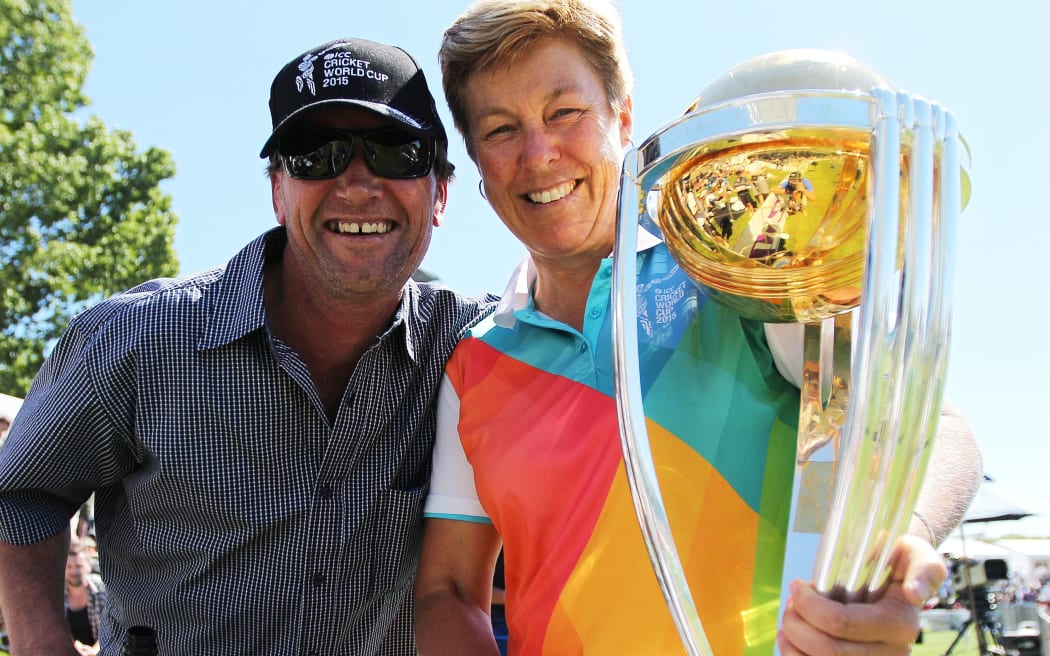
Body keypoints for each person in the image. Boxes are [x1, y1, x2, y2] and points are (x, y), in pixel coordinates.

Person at [413, 2, 982, 655]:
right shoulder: (475, 361)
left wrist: (889, 545)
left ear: (623, 120)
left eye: (564, 112)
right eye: (501, 130)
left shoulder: (734, 269)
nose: (539, 155)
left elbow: (933, 424)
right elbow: (450, 590)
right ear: (479, 170)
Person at [0, 37, 493, 655]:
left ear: (440, 193)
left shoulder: (478, 354)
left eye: (398, 152)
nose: (359, 183)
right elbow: (21, 495)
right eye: (316, 154)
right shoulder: (136, 339)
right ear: (277, 191)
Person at [65, 539, 106, 656]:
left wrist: (93, 651)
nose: (74, 571)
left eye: (78, 566)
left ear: (88, 566)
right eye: (69, 566)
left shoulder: (102, 589)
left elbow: (111, 627)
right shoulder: (56, 593)